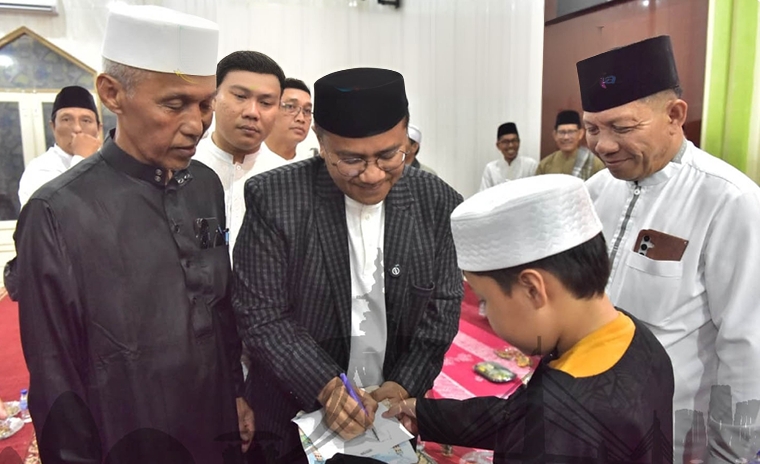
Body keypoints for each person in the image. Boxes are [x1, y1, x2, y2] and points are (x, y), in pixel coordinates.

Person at [11, 5, 250, 462]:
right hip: (126, 435)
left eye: (204, 105)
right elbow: (54, 373)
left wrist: (236, 395)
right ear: (112, 94)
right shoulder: (56, 211)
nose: (196, 125)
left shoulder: (204, 186)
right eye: (174, 105)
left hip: (216, 425)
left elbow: (219, 308)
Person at [233, 67, 463, 462]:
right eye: (351, 160)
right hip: (292, 414)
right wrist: (326, 387)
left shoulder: (437, 202)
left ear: (406, 137)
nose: (372, 175)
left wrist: (403, 384)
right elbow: (261, 314)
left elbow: (442, 309)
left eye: (389, 155)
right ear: (321, 143)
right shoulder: (276, 198)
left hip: (390, 418)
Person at [385, 175, 675, 463]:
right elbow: (521, 418)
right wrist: (424, 414)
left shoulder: (559, 419)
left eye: (486, 301)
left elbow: (539, 421)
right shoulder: (636, 337)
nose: (486, 315)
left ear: (532, 289)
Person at [578, 35, 760, 462]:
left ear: (675, 115)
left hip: (674, 437)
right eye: (593, 128)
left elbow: (748, 347)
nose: (603, 145)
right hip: (589, 422)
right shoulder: (595, 190)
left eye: (622, 128)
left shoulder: (730, 201)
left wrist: (730, 455)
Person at [194, 51, 288, 257]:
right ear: (213, 98)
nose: (252, 112)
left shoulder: (285, 179)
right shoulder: (183, 166)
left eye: (266, 103)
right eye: (240, 97)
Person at [18, 85, 103, 207]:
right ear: (53, 127)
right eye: (66, 119)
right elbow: (55, 212)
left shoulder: (112, 164)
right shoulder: (39, 169)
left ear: (99, 129)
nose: (77, 128)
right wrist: (81, 160)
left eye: (86, 120)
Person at [536, 110, 604, 180]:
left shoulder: (595, 163)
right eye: (562, 132)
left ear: (580, 134)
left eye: (571, 132)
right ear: (555, 135)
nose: (566, 137)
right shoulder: (545, 165)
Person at [265, 77, 315, 162]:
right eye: (290, 107)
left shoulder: (308, 165)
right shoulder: (246, 160)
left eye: (307, 111)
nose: (301, 119)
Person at [479, 122, 537, 191]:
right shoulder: (491, 169)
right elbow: (484, 194)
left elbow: (536, 192)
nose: (510, 145)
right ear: (498, 145)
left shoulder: (530, 165)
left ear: (519, 142)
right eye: (506, 142)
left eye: (514, 141)